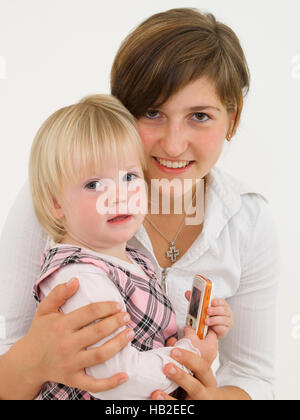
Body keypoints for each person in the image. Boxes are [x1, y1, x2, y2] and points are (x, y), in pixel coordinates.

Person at [0, 8, 279, 400]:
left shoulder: (248, 220)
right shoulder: (61, 195)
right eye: (152, 112)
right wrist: (34, 359)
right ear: (122, 113)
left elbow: (254, 375)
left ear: (232, 120)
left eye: (200, 115)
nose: (174, 143)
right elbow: (8, 351)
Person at [28, 93, 231, 400]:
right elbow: (118, 376)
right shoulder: (80, 278)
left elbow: (148, 337)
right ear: (57, 203)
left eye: (129, 176)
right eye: (94, 184)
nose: (119, 195)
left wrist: (200, 326)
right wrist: (190, 352)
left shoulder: (131, 258)